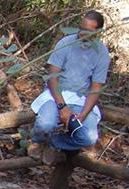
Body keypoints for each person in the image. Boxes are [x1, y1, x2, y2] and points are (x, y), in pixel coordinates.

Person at [29, 11, 109, 157]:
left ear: (98, 32)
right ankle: (36, 141)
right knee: (45, 124)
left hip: (80, 98)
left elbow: (96, 88)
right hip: (56, 95)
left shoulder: (102, 54)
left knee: (88, 138)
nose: (82, 33)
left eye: (88, 31)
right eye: (80, 28)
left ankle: (54, 142)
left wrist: (84, 113)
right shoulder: (65, 43)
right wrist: (62, 106)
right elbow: (53, 77)